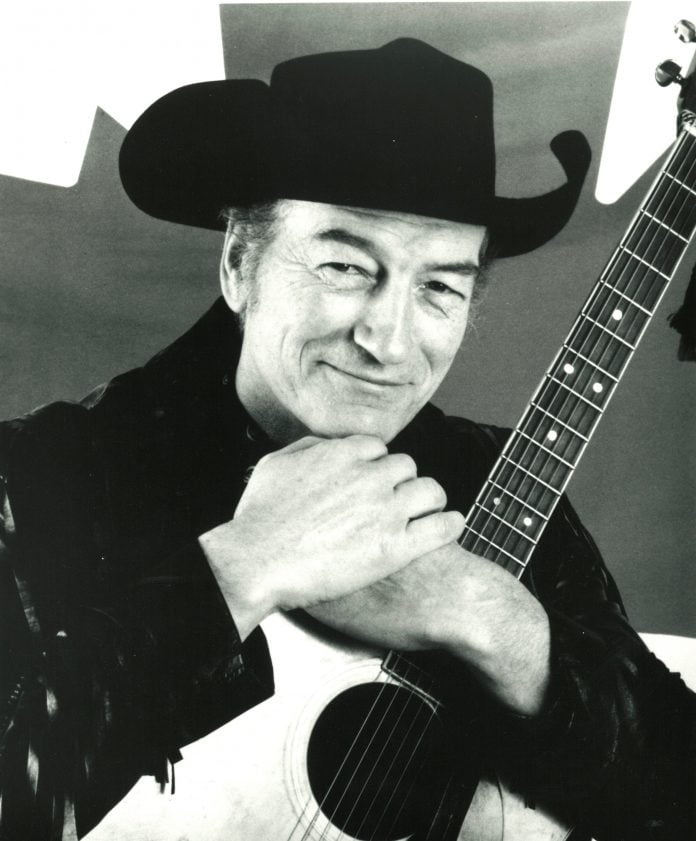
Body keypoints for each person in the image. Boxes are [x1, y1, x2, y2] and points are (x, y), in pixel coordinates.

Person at [0, 38, 694, 841]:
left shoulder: (502, 481)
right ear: (239, 264)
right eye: (345, 266)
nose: (388, 340)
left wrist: (498, 620)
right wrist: (237, 571)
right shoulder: (43, 475)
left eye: (440, 287)